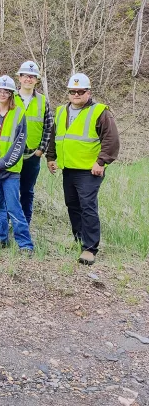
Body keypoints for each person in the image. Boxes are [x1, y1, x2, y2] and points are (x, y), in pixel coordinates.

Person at [46, 73, 120, 266]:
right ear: (68, 93)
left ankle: (89, 248)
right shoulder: (61, 111)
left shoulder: (100, 112)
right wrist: (51, 157)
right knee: (73, 205)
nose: (76, 94)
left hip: (89, 170)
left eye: (80, 91)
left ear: (88, 92)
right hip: (68, 168)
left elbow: (111, 139)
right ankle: (79, 240)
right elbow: (55, 136)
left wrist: (102, 162)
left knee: (88, 207)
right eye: (72, 91)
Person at [0, 75, 34, 253]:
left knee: (13, 207)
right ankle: (0, 238)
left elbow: (19, 144)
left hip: (10, 171)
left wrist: (2, 163)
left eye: (6, 91)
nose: (2, 94)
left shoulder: (19, 114)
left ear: (11, 94)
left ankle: (25, 244)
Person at [15, 61, 53, 225]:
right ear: (20, 78)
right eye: (25, 76)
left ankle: (25, 222)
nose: (28, 79)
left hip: (32, 155)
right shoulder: (10, 97)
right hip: (11, 154)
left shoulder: (42, 101)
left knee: (27, 191)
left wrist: (41, 149)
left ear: (36, 80)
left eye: (32, 77)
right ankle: (11, 220)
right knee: (10, 190)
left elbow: (49, 126)